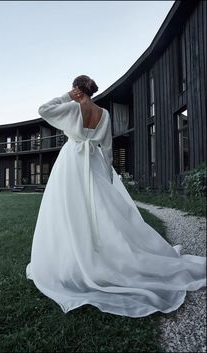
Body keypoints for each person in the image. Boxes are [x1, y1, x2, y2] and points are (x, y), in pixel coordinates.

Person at [26, 75, 206, 317]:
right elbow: (108, 147)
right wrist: (108, 176)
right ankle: (101, 252)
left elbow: (43, 110)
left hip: (72, 163)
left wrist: (68, 96)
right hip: (95, 164)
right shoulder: (104, 114)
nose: (71, 91)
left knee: (71, 209)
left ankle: (81, 255)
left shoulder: (71, 107)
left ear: (78, 89)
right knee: (102, 211)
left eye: (73, 88)